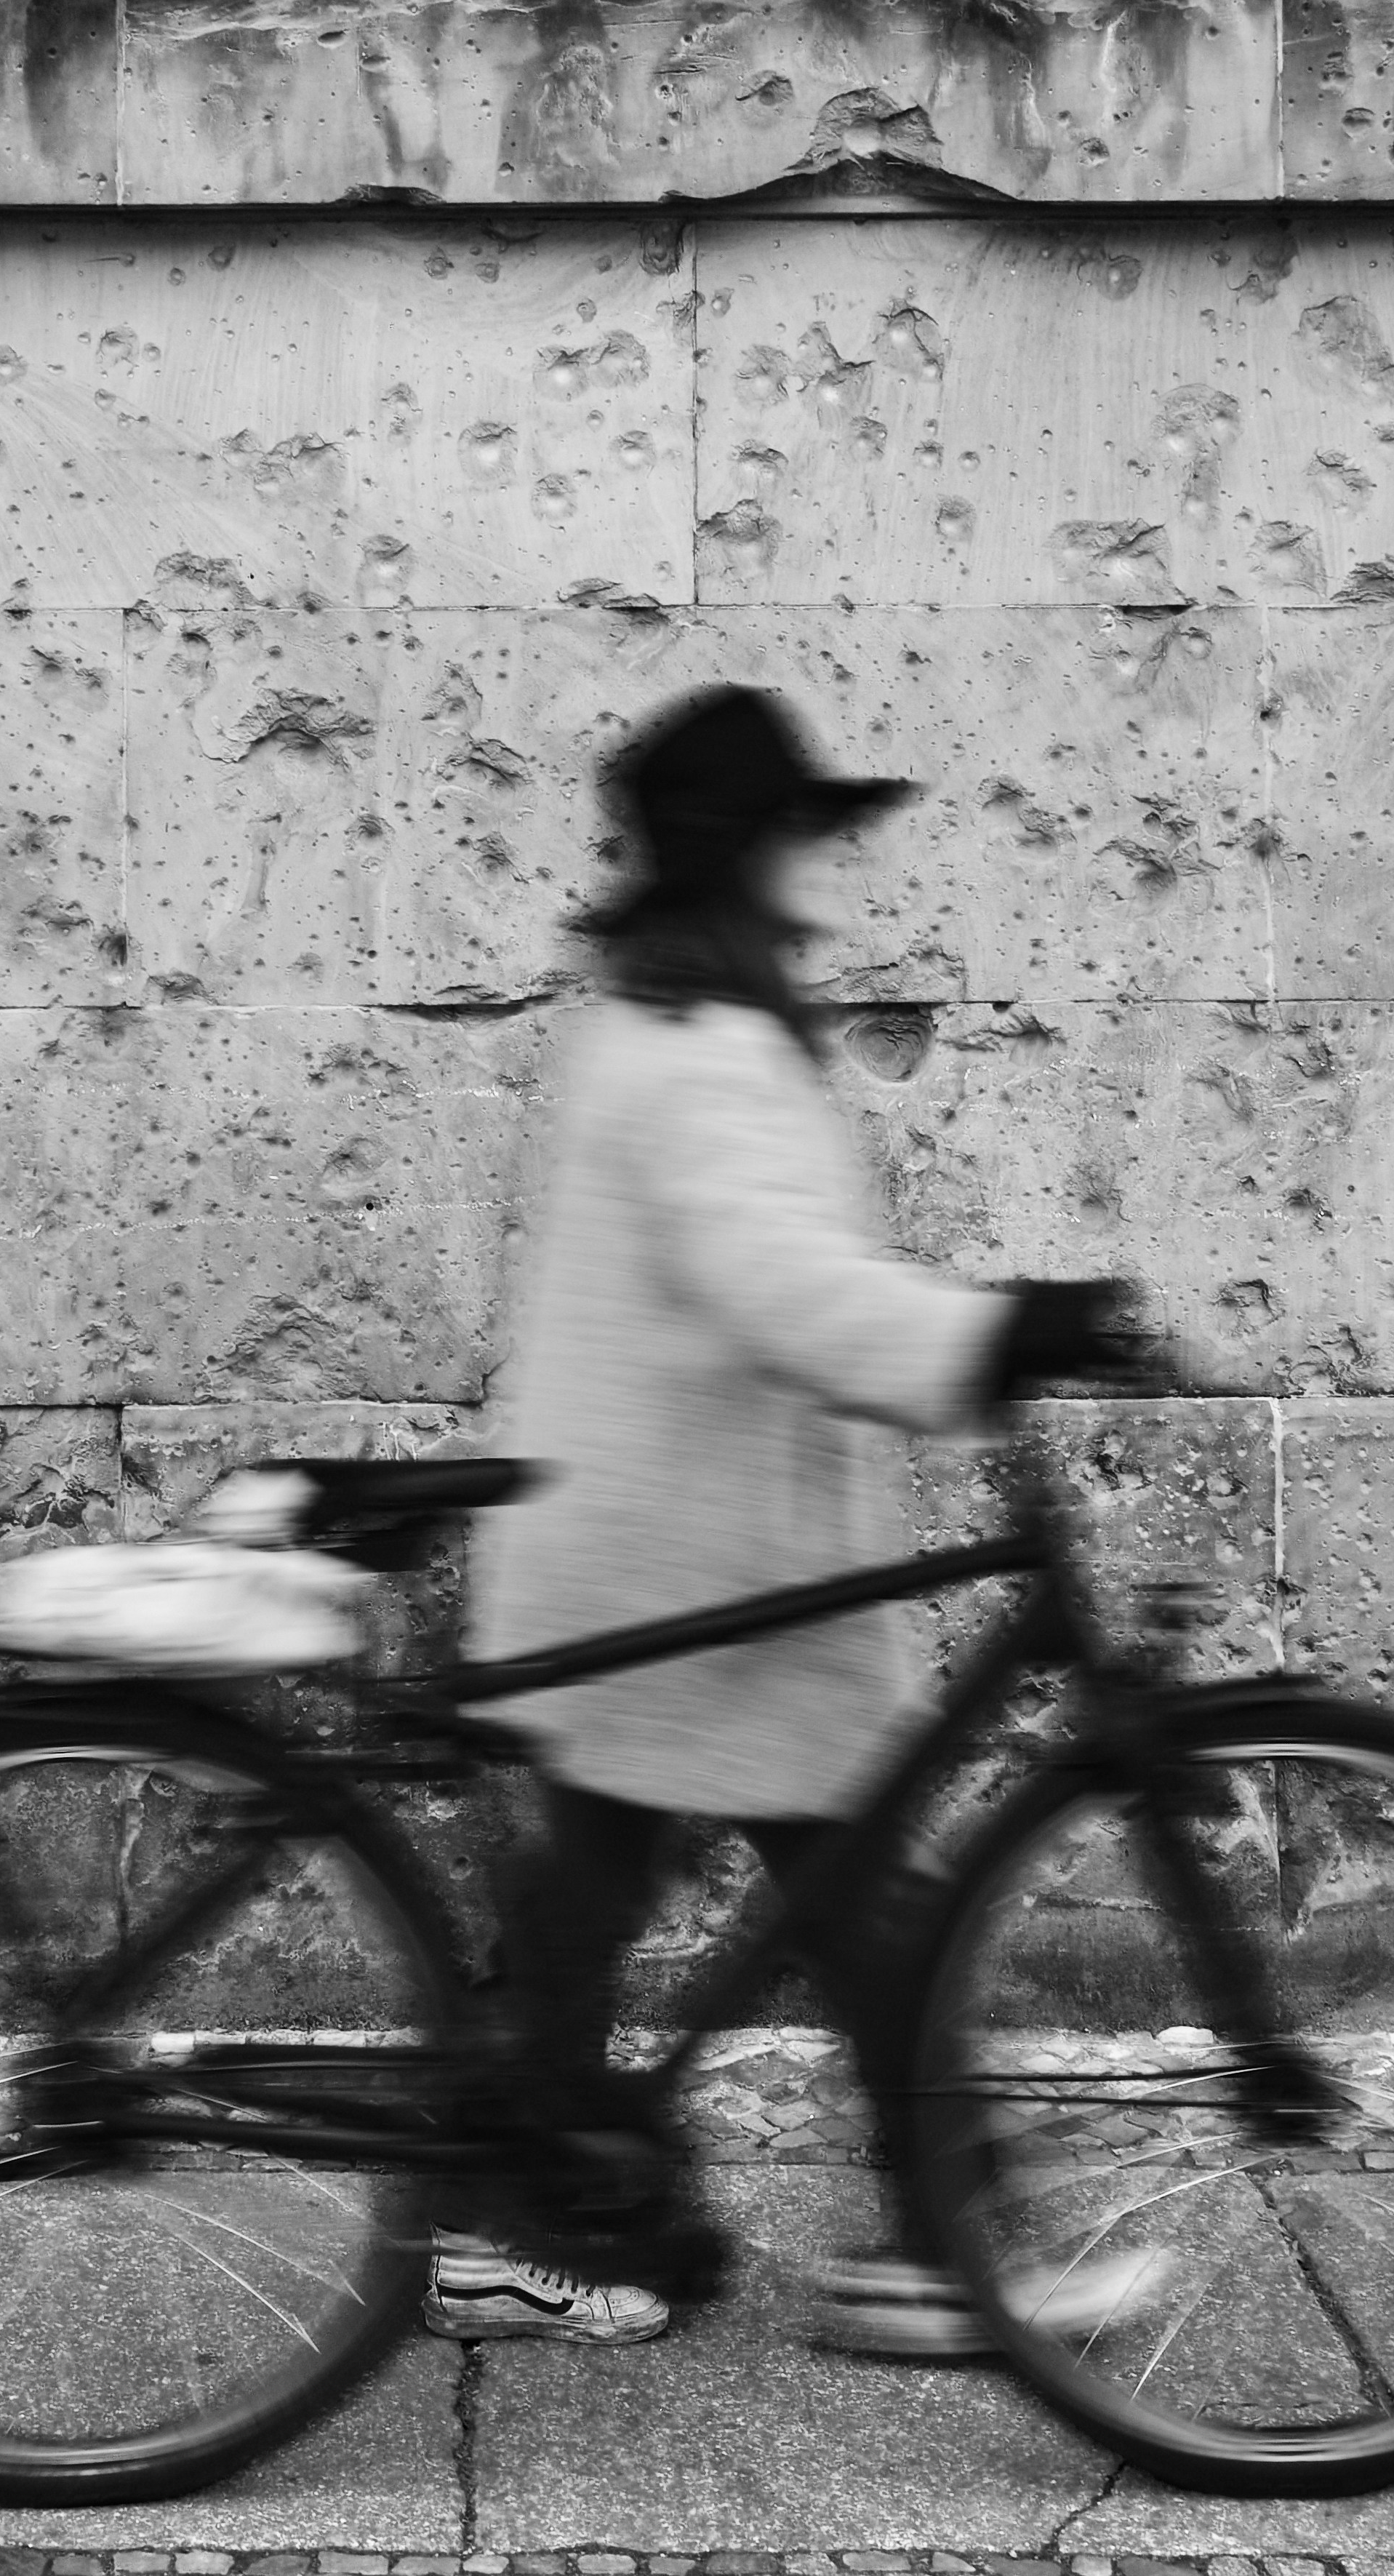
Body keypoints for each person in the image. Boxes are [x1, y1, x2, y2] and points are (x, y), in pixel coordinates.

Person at [425, 684, 1145, 2357]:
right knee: (866, 1900)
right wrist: (994, 1334)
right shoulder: (710, 1054)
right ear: (743, 859)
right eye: (800, 842)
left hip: (651, 1557)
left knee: (600, 1909)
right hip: (711, 1578)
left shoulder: (651, 1025)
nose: (823, 876)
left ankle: (511, 2213)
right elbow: (791, 1296)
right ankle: (954, 2247)